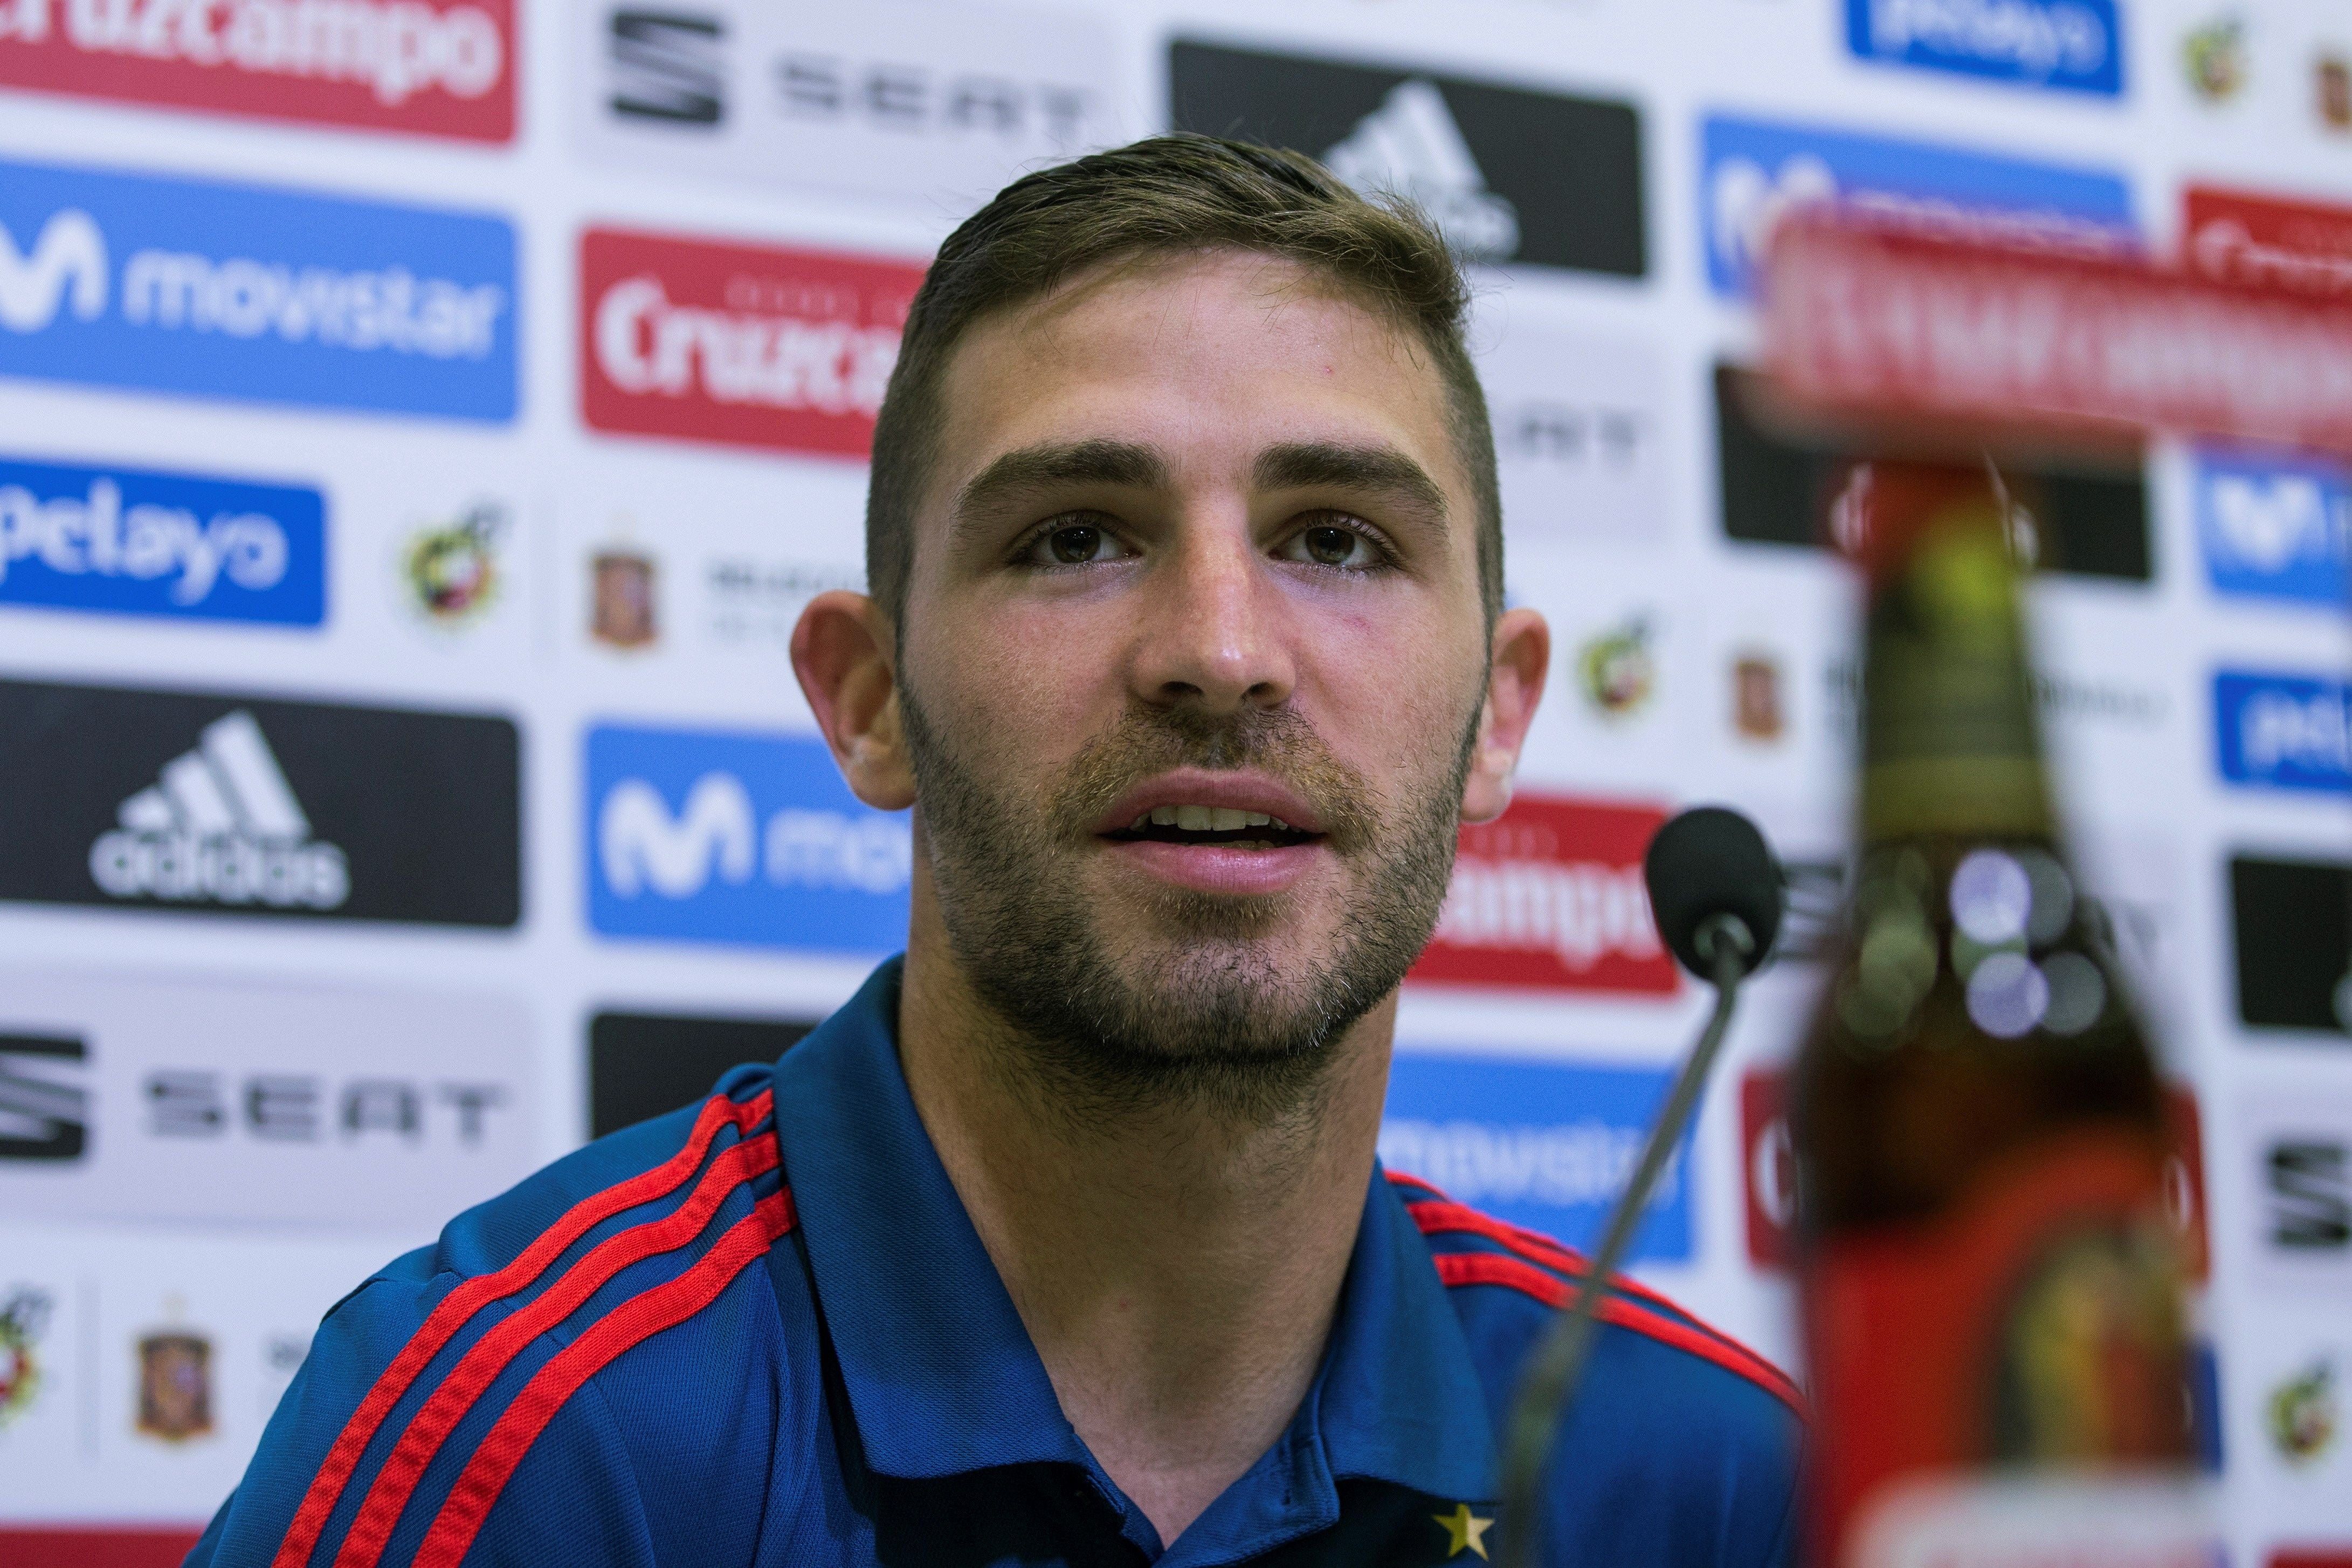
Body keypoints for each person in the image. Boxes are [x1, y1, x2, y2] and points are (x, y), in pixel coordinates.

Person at [188, 135, 1801, 1568]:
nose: (1220, 652)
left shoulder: (1720, 1489)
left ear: (1497, 716)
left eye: (1336, 539)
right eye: (1075, 537)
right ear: (870, 700)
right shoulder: (527, 1436)